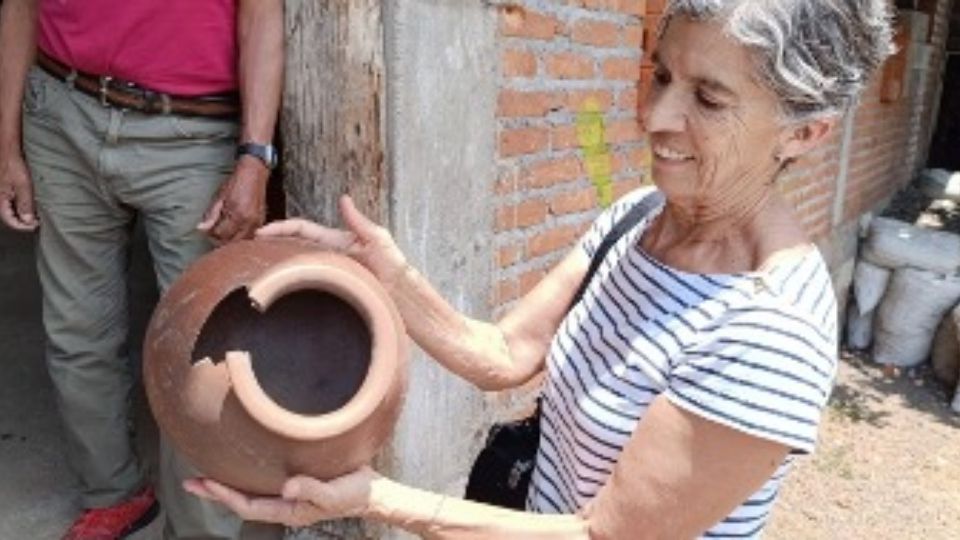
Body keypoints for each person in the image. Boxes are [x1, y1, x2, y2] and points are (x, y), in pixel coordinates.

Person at [185, 0, 895, 538]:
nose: (654, 117)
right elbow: (507, 352)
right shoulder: (642, 215)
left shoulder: (770, 330)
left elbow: (603, 534)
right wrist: (389, 274)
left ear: (806, 131)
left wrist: (376, 499)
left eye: (708, 99)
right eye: (662, 75)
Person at [0, 0, 285, 538]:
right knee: (77, 327)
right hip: (61, 113)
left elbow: (261, 14)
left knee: (202, 353)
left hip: (192, 133)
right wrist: (6, 145)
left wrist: (254, 158)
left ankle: (200, 531)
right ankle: (113, 494)